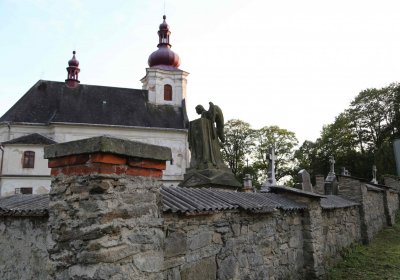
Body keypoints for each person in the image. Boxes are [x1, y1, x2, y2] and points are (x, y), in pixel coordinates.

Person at [188, 102, 226, 170]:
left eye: (197, 110)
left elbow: (209, 123)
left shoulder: (204, 114)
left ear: (199, 109)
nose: (196, 112)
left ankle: (206, 160)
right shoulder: (204, 114)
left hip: (209, 135)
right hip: (208, 135)